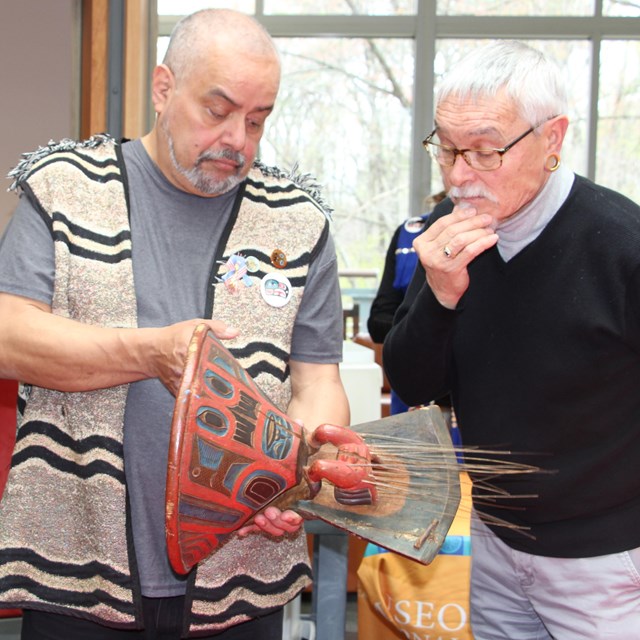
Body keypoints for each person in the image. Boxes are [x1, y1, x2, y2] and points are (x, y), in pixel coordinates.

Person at [0, 9, 349, 640]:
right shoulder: (65, 189)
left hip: (241, 575)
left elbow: (318, 381)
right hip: (76, 567)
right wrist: (150, 353)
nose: (237, 138)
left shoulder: (298, 223)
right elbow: (9, 337)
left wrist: (287, 481)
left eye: (258, 118)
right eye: (217, 111)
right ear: (163, 89)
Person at [383, 40, 640, 639]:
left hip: (603, 559)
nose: (456, 175)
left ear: (552, 139)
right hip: (495, 541)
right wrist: (441, 296)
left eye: (483, 151)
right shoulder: (451, 234)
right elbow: (414, 380)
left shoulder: (619, 244)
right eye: (445, 148)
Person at [367, 191, 449, 415]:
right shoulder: (408, 233)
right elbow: (377, 322)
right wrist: (414, 328)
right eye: (450, 155)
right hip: (415, 394)